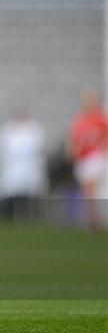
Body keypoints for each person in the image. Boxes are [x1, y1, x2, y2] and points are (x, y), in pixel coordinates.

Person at [0, 109, 47, 221]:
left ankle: (31, 215)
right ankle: (11, 215)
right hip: (13, 166)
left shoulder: (33, 129)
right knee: (12, 191)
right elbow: (2, 148)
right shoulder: (8, 129)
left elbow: (38, 147)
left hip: (29, 166)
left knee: (29, 191)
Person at [67, 88, 108, 230]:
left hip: (96, 157)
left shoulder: (101, 118)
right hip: (83, 159)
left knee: (92, 188)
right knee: (87, 190)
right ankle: (93, 218)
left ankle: (94, 219)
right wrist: (72, 151)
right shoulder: (80, 120)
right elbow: (74, 140)